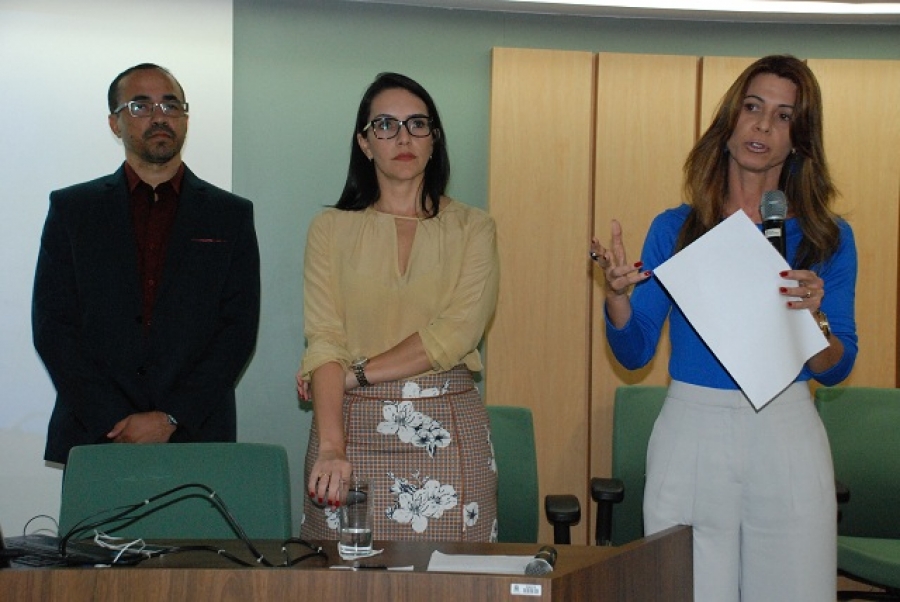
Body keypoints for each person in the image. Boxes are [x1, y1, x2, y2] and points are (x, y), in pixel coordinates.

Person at [590, 55, 857, 601]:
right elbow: (635, 351)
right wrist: (616, 298)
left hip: (786, 432)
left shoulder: (827, 238)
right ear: (730, 119)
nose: (763, 125)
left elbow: (835, 367)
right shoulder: (677, 228)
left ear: (799, 140)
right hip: (693, 430)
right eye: (753, 107)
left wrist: (814, 318)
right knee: (686, 588)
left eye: (784, 116)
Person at [297, 72, 499, 542]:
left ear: (434, 139)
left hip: (447, 432)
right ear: (365, 143)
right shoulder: (329, 229)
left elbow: (456, 334)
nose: (403, 137)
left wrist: (352, 374)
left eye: (417, 124)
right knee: (340, 576)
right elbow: (324, 338)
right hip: (346, 430)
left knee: (454, 579)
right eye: (385, 125)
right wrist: (331, 446)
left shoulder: (474, 228)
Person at [33, 63, 261, 465]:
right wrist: (113, 418)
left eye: (171, 106)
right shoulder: (73, 210)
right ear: (114, 123)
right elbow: (53, 325)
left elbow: (237, 329)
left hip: (196, 434)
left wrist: (171, 417)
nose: (159, 117)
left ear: (185, 119)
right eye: (140, 106)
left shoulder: (230, 215)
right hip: (97, 433)